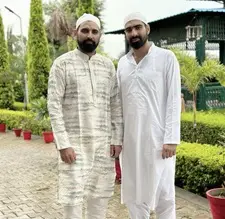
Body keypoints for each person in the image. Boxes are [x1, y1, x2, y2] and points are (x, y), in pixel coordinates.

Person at [47, 13, 123, 219]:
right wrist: (63, 143)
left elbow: (115, 103)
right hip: (74, 145)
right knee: (72, 200)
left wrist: (116, 139)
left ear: (100, 36)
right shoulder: (62, 64)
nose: (90, 35)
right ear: (75, 33)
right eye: (85, 30)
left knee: (99, 200)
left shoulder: (107, 66)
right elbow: (53, 105)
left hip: (103, 145)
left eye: (94, 32)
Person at [117, 12, 181, 219]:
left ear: (147, 29)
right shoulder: (122, 64)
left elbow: (173, 100)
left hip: (159, 142)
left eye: (137, 27)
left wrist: (171, 139)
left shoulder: (166, 58)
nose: (134, 33)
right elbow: (118, 104)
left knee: (164, 197)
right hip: (131, 143)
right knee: (135, 195)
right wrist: (117, 139)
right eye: (129, 29)